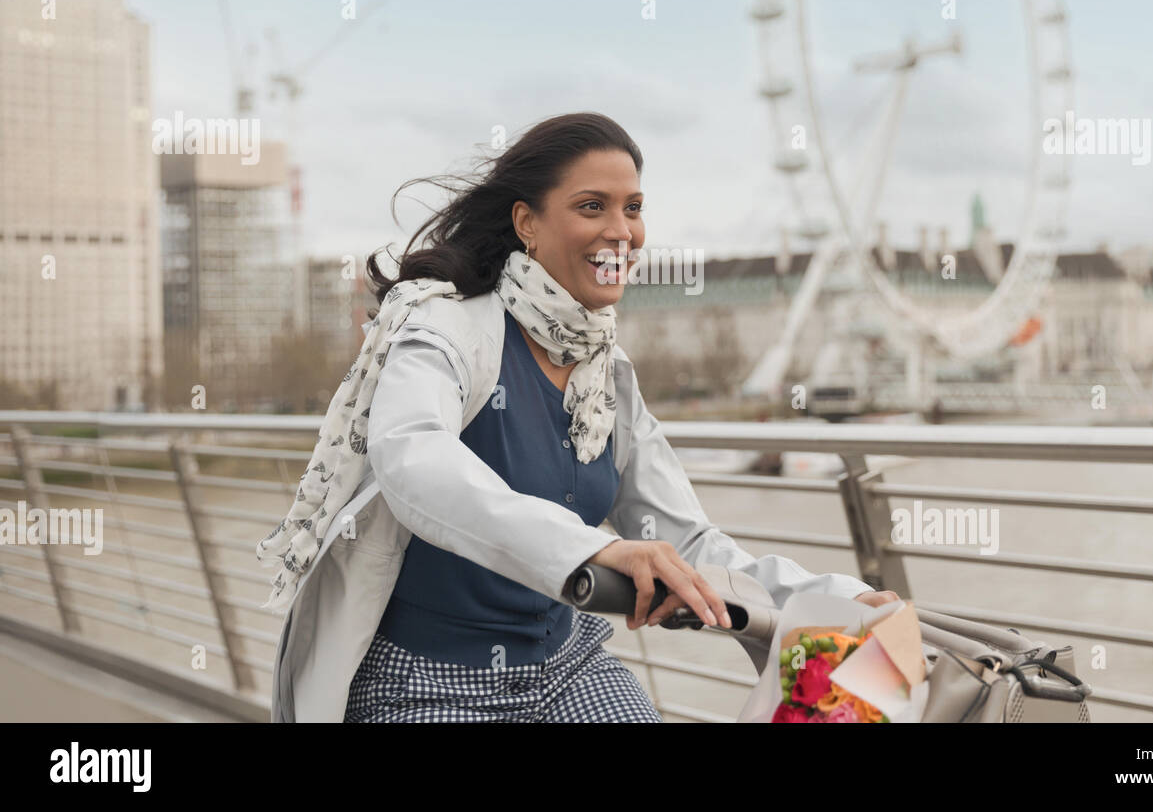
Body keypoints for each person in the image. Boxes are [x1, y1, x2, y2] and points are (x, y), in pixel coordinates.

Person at [336, 112, 898, 722]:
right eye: (591, 207)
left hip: (566, 668)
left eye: (632, 207)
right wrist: (595, 552)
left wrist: (839, 598)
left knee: (863, 674)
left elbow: (686, 542)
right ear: (527, 222)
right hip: (429, 680)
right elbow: (414, 459)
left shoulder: (608, 372)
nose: (621, 231)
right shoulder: (446, 328)